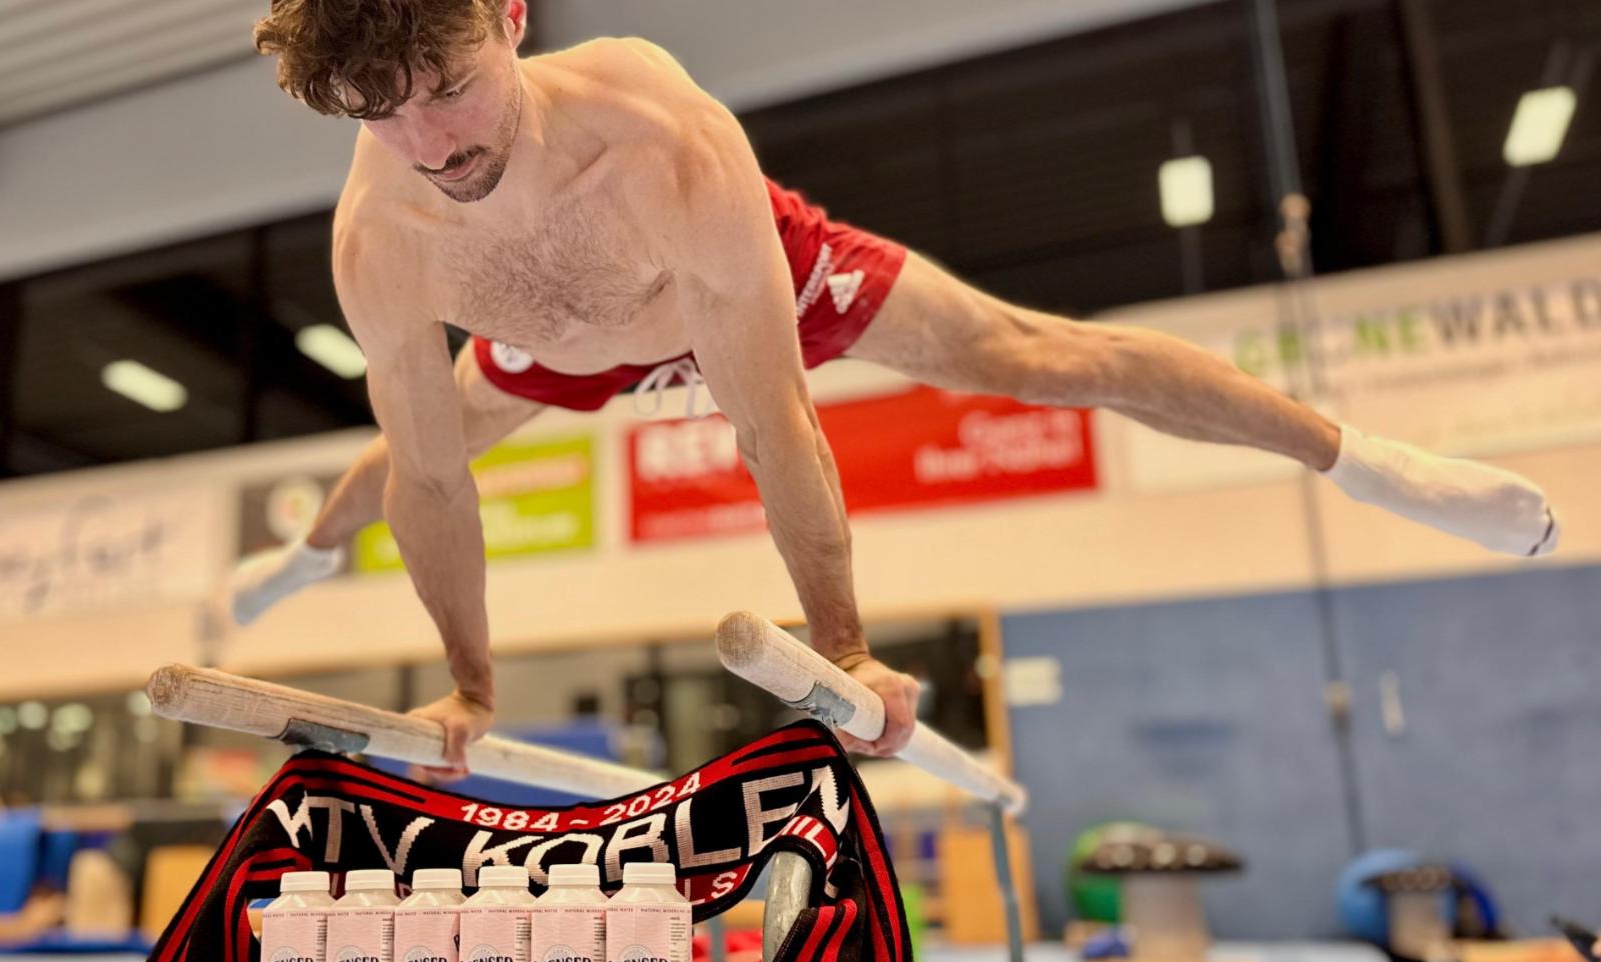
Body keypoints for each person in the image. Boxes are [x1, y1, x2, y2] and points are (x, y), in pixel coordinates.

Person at [230, 0, 1559, 773]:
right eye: (377, 115)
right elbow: (431, 479)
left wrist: (846, 645)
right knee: (405, 454)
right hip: (559, 336)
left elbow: (770, 418)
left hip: (724, 274)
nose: (430, 144)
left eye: (451, 89)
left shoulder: (656, 136)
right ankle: (300, 561)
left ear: (511, 19)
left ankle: (1358, 459)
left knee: (1041, 355)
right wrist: (468, 688)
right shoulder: (382, 237)